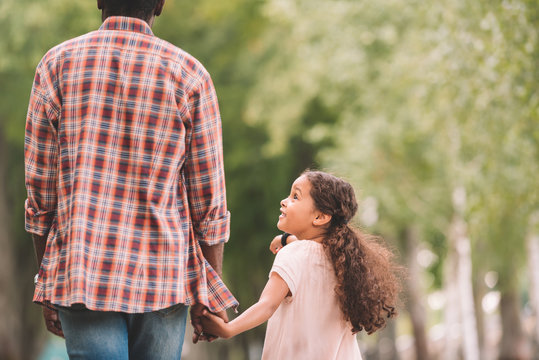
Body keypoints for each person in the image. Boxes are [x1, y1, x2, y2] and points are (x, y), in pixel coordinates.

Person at [24, 0, 237, 358]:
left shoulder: (56, 65)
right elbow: (209, 202)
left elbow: (41, 194)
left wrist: (48, 280)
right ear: (161, 4)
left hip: (82, 274)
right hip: (164, 278)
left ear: (98, 1)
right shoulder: (189, 74)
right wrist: (209, 290)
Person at [201, 170, 402, 359]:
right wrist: (287, 239)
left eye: (295, 197)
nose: (284, 201)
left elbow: (267, 305)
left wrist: (228, 329)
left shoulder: (293, 255)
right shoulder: (345, 263)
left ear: (320, 217)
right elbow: (315, 252)